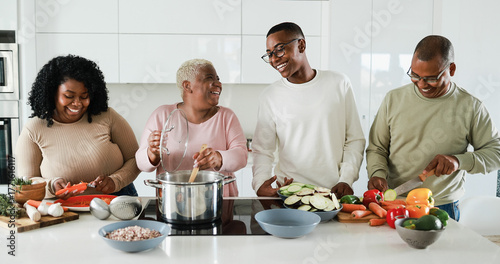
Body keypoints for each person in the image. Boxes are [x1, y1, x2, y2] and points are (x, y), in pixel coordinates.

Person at [366, 35, 500, 221]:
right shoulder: (393, 99)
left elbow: (496, 153)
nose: (421, 84)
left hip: (443, 207)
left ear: (451, 69)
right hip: (396, 203)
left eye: (431, 78)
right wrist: (377, 173)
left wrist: (458, 161)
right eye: (415, 75)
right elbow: (377, 148)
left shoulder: (471, 107)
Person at [252, 22, 366, 198]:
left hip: (333, 193)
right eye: (269, 54)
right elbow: (262, 150)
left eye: (279, 49)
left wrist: (346, 179)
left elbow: (354, 139)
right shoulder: (270, 95)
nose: (274, 59)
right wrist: (260, 184)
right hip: (289, 194)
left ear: (301, 45)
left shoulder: (339, 83)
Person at [16, 54, 140, 199]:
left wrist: (115, 181)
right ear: (51, 93)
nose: (78, 103)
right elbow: (25, 180)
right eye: (69, 96)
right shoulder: (34, 129)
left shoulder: (108, 116)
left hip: (117, 200)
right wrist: (51, 184)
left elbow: (135, 158)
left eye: (84, 96)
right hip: (62, 208)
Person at [135, 59, 247, 197]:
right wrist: (152, 154)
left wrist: (218, 158)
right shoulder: (162, 115)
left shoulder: (226, 116)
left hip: (218, 202)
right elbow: (141, 162)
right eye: (209, 78)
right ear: (187, 86)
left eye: (218, 79)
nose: (218, 84)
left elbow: (242, 156)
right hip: (173, 202)